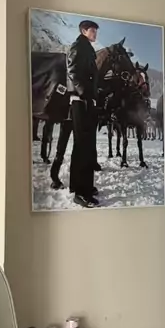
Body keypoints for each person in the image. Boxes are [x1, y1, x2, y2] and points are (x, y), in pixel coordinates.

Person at [66, 20, 99, 208]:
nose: (95, 34)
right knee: (84, 146)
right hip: (80, 101)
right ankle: (81, 192)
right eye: (92, 30)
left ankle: (79, 185)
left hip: (84, 101)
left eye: (95, 31)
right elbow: (72, 71)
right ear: (84, 31)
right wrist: (84, 93)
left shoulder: (86, 48)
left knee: (83, 145)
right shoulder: (78, 47)